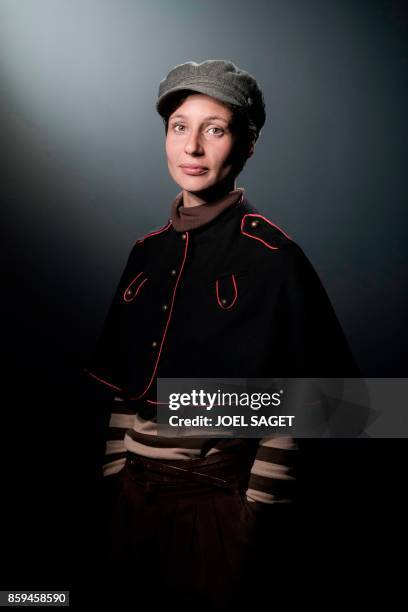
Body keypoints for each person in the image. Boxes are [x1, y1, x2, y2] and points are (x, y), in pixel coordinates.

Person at [82, 59, 361, 608]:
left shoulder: (274, 257)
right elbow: (126, 389)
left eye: (215, 129)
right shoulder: (145, 253)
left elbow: (331, 406)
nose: (192, 147)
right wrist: (116, 479)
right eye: (179, 126)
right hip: (132, 504)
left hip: (216, 509)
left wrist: (252, 516)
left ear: (248, 144)